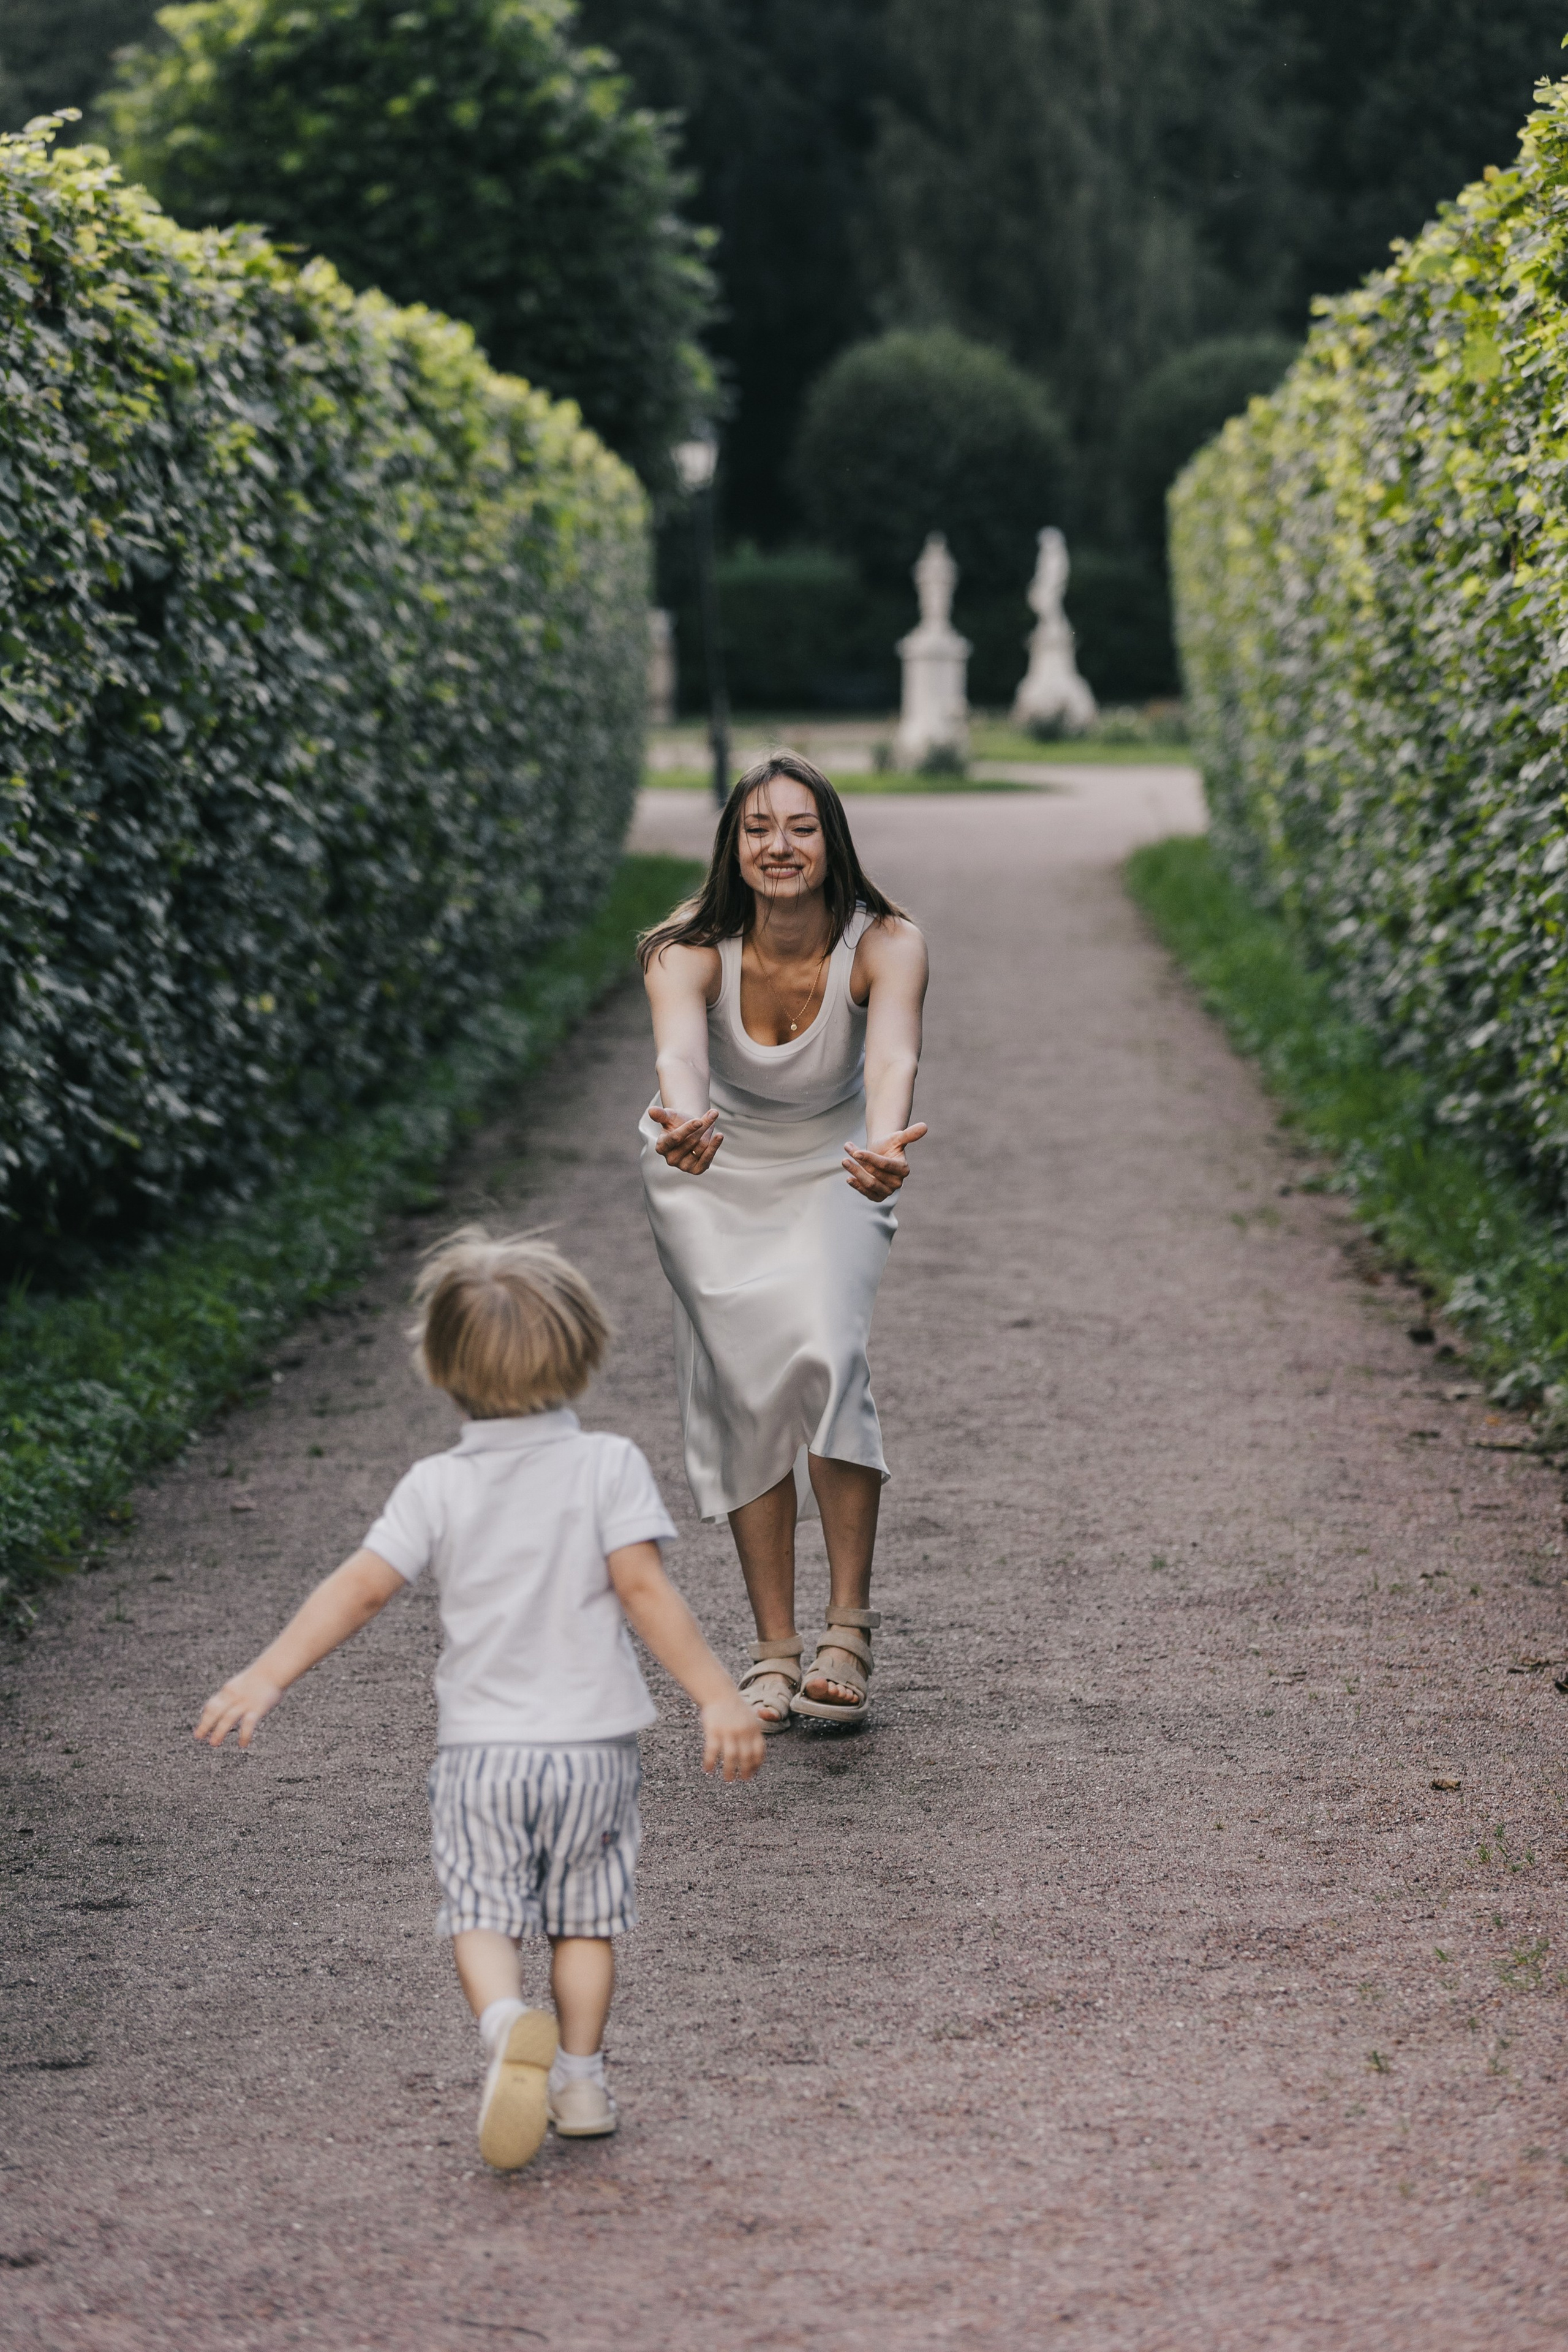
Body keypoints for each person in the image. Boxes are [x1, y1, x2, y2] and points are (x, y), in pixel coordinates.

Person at [194, 1230, 765, 2173]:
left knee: (481, 1912)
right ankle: (581, 2078)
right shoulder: (609, 1465)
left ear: (440, 1366)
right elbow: (645, 1591)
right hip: (592, 1748)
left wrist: (267, 1674)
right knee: (585, 1919)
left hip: (482, 1755)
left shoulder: (436, 1486)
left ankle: (507, 2025)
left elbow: (362, 1588)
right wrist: (717, 1694)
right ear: (584, 1348)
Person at [638, 752, 929, 1733]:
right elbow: (680, 1052)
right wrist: (685, 1121)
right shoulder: (685, 946)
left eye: (800, 827)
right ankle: (773, 1651)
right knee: (749, 1385)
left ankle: (848, 1629)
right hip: (708, 1167)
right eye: (758, 829)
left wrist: (886, 1142)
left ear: (832, 839)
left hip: (841, 1164)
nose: (779, 846)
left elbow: (891, 1054)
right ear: (732, 845)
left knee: (828, 1353)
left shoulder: (887, 942)